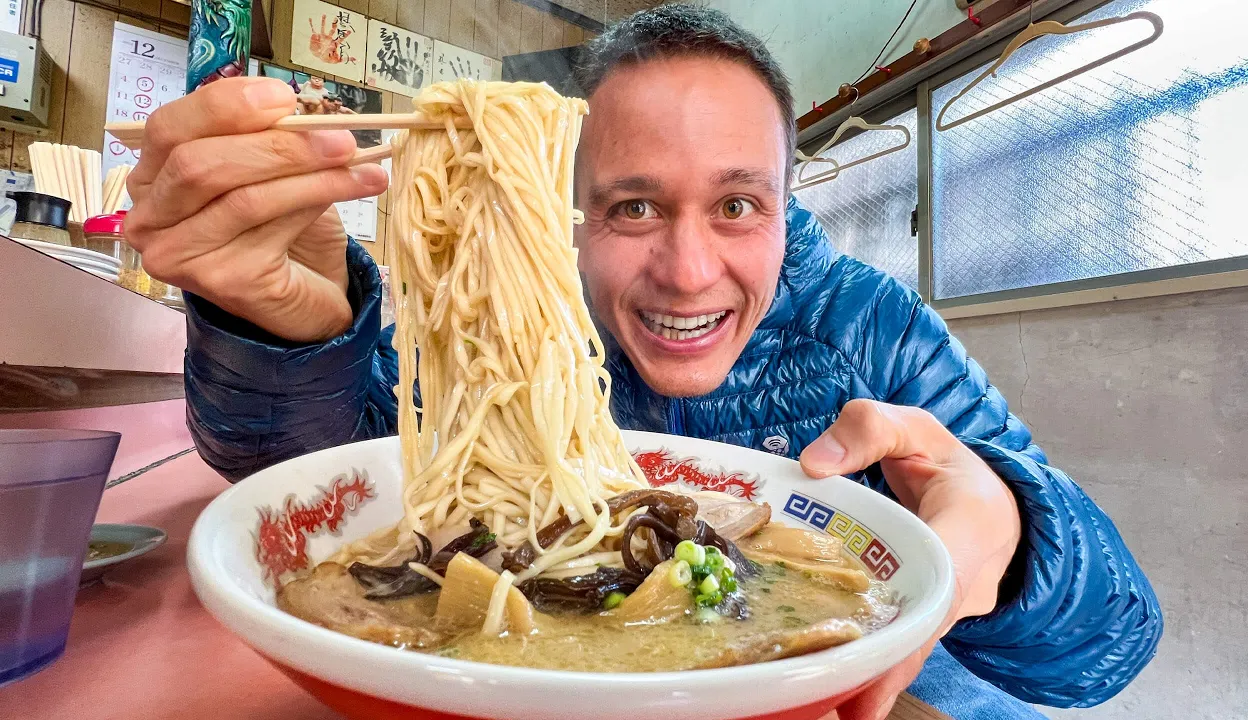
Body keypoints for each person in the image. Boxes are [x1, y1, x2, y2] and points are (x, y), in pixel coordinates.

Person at [123, 6, 1161, 719]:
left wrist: (1013, 536)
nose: (685, 268)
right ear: (559, 219)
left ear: (784, 204)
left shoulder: (869, 332)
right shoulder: (504, 327)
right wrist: (284, 327)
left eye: (736, 205)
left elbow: (1109, 646)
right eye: (631, 206)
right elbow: (321, 474)